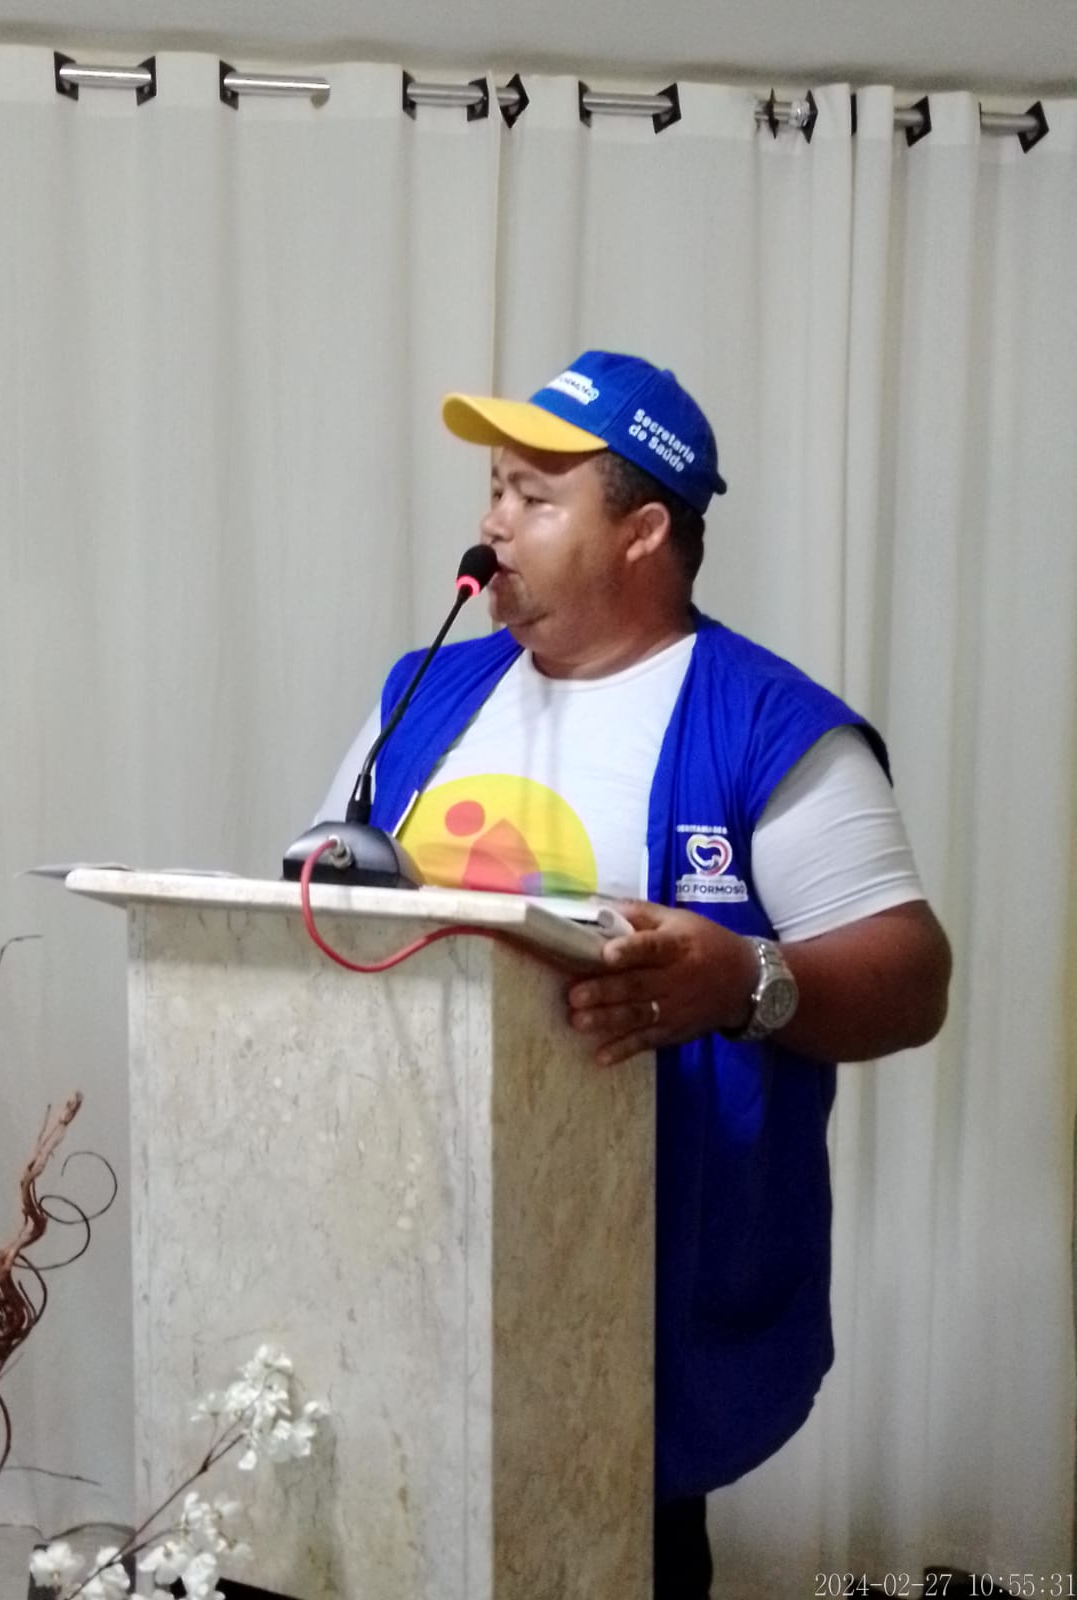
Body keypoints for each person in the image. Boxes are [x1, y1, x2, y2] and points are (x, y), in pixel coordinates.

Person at [317, 350, 952, 1596]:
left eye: (535, 495)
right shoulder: (425, 689)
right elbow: (322, 883)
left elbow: (912, 976)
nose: (495, 521)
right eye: (494, 488)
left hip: (629, 1281)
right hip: (409, 1252)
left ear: (643, 531)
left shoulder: (768, 724)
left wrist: (745, 982)